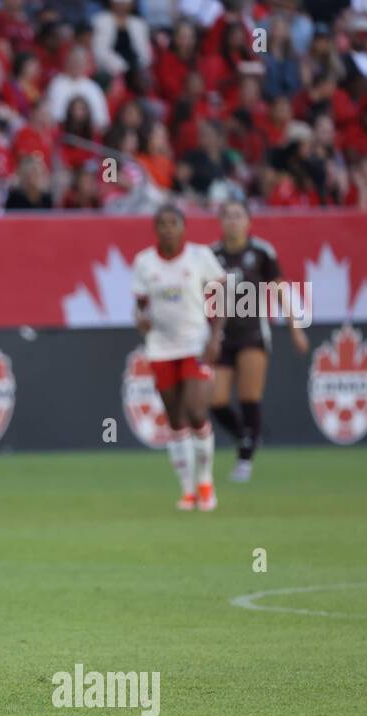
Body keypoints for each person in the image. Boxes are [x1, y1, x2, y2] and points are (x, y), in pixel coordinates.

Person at [131, 204, 225, 511]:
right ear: (155, 229)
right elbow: (140, 306)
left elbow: (221, 295)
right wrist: (141, 320)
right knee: (175, 419)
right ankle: (186, 490)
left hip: (195, 343)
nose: (168, 229)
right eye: (162, 224)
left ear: (183, 227)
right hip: (161, 347)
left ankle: (206, 481)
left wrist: (215, 336)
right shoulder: (144, 262)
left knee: (197, 411)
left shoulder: (200, 257)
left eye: (173, 223)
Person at [209, 200, 309, 482]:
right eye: (227, 216)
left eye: (238, 216)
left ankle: (244, 461)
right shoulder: (211, 255)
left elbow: (280, 291)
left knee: (249, 396)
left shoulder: (262, 252)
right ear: (220, 222)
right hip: (221, 336)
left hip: (252, 333)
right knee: (216, 400)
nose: (233, 221)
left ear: (248, 222)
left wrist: (295, 328)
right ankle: (246, 435)